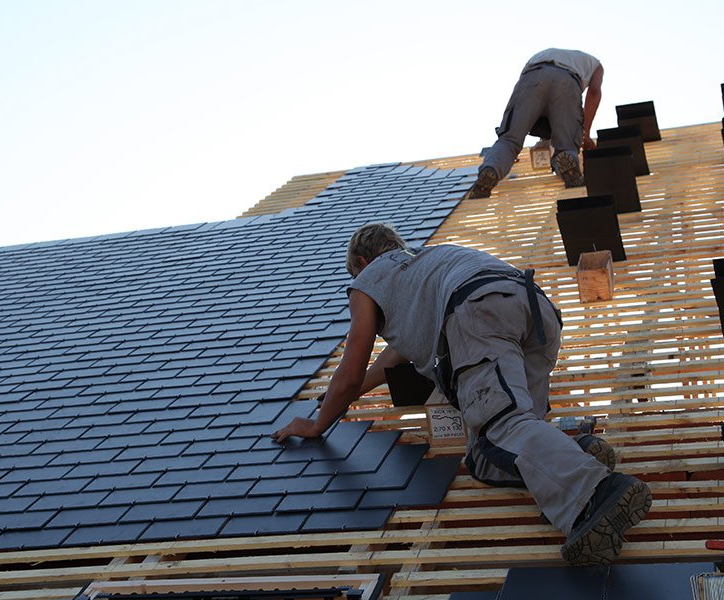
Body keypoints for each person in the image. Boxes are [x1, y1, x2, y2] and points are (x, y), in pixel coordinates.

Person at [272, 223, 651, 566]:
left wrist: (319, 422)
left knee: (504, 426)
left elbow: (351, 370)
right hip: (533, 309)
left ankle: (598, 493)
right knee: (486, 455)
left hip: (478, 315)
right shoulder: (427, 265)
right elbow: (387, 360)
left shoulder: (369, 277)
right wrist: (339, 399)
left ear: (361, 261)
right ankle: (577, 455)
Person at [468, 48, 604, 198]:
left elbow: (532, 107)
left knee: (509, 141)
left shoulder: (544, 54)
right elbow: (594, 92)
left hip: (532, 77)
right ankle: (568, 161)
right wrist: (585, 134)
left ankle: (491, 169)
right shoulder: (595, 65)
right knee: (567, 144)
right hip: (568, 81)